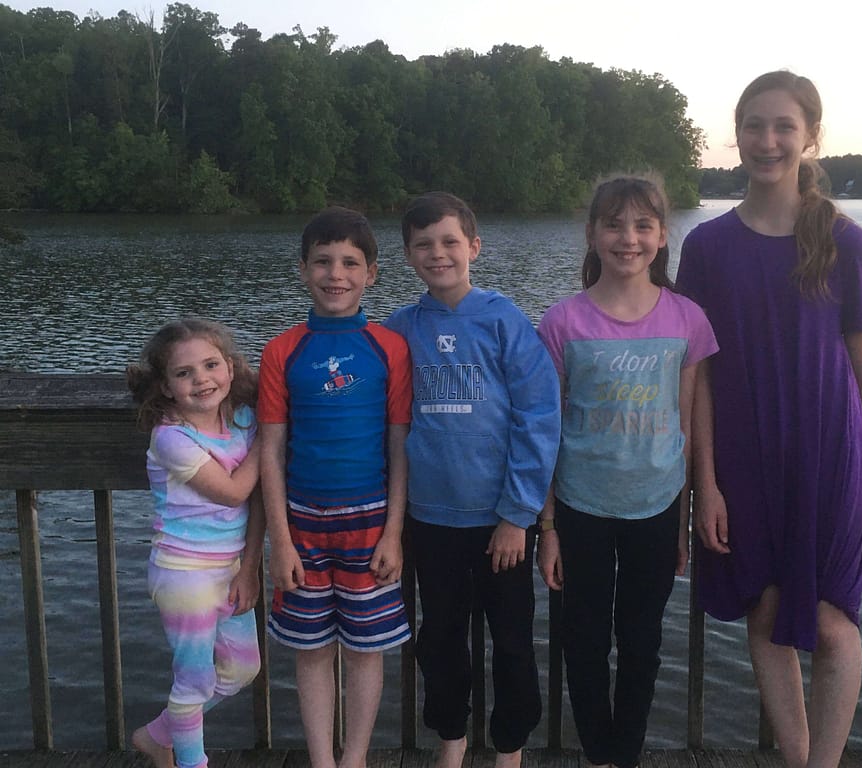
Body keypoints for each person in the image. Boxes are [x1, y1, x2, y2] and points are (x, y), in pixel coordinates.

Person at [674, 71, 862, 768]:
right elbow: (697, 376)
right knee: (764, 610)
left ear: (809, 136)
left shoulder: (847, 243)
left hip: (831, 457)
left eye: (783, 127)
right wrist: (706, 481)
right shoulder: (706, 248)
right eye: (754, 126)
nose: (767, 141)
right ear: (736, 136)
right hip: (743, 456)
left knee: (831, 623)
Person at [536, 175, 718, 768]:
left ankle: (627, 753)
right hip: (581, 506)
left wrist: (687, 518)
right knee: (582, 641)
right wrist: (550, 526)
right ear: (591, 234)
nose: (628, 238)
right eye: (613, 224)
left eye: (642, 225)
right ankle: (598, 752)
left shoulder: (688, 319)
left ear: (663, 237)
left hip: (657, 506)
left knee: (642, 644)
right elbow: (547, 430)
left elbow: (688, 422)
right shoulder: (562, 322)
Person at [384, 191, 561, 768]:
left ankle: (509, 748)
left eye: (450, 242)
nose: (438, 254)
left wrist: (518, 515)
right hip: (430, 520)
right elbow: (360, 395)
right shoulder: (397, 332)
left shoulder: (504, 320)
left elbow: (538, 418)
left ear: (474, 247)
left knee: (510, 639)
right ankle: (451, 743)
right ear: (409, 255)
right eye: (423, 245)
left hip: (500, 523)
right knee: (440, 640)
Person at [258, 206, 412, 768]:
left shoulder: (390, 347)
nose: (335, 273)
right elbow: (270, 451)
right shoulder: (283, 349)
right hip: (301, 520)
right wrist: (280, 537)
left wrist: (393, 531)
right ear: (302, 269)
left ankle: (356, 759)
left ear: (371, 273)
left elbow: (400, 447)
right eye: (322, 261)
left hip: (370, 521)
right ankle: (322, 761)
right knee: (311, 651)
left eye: (350, 262)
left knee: (367, 653)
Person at [126, 317, 265, 768]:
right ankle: (190, 761)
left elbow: (257, 500)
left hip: (230, 567)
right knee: (194, 680)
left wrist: (249, 568)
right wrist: (271, 439)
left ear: (230, 367)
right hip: (183, 573)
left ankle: (156, 735)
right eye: (184, 373)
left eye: (210, 365)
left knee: (243, 668)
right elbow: (235, 491)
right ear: (165, 387)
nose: (201, 379)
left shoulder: (243, 419)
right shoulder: (171, 437)